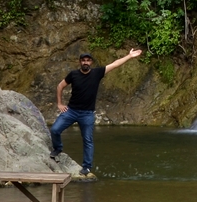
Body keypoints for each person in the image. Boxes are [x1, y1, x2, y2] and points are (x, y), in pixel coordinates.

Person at [51, 49, 142, 180]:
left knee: (88, 140)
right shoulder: (73, 74)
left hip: (87, 114)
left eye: (88, 60)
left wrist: (129, 56)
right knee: (55, 129)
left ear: (91, 62)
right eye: (83, 60)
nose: (85, 62)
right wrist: (59, 104)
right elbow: (60, 86)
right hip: (71, 111)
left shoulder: (97, 73)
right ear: (80, 62)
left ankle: (87, 166)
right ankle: (58, 148)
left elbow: (115, 64)